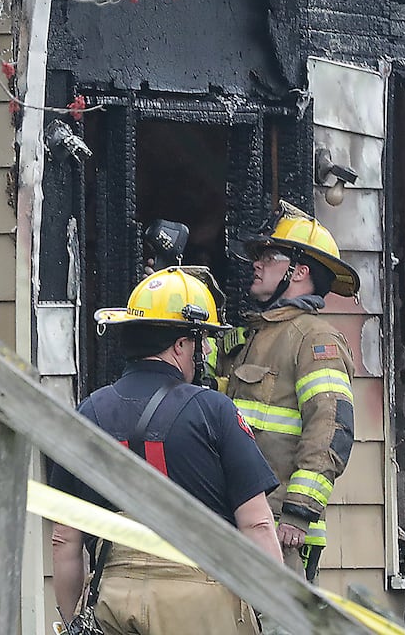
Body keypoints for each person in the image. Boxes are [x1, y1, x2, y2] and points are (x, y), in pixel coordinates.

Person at [50, 267, 284, 635]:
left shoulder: (89, 413)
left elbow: (65, 539)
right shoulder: (215, 411)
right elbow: (256, 524)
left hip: (113, 598)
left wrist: (72, 620)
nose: (205, 350)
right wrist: (279, 618)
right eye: (201, 340)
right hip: (201, 604)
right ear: (180, 345)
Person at [219, 206, 359, 580]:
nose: (257, 264)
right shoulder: (252, 336)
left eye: (269, 257)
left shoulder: (315, 339)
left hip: (283, 531)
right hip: (243, 521)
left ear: (299, 272)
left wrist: (298, 512)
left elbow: (330, 429)